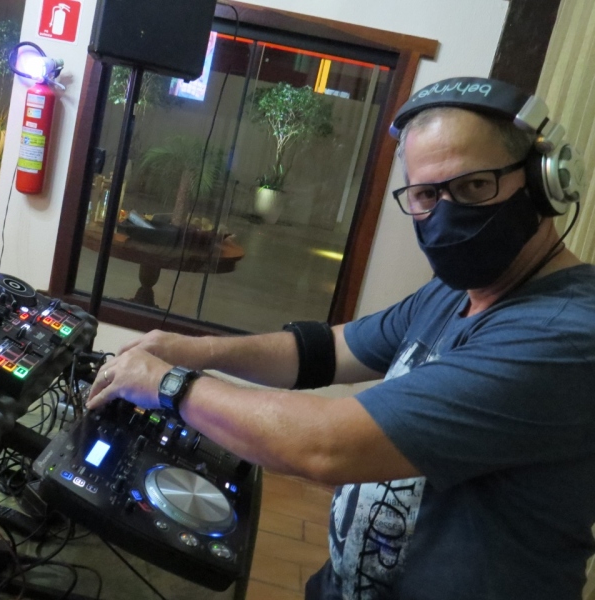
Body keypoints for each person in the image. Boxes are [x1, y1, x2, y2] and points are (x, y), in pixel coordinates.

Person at [86, 77, 595, 600]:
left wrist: (170, 385)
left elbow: (329, 446)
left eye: (474, 186)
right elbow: (323, 352)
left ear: (544, 181)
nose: (446, 213)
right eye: (425, 194)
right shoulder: (454, 292)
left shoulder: (566, 336)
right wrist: (191, 350)